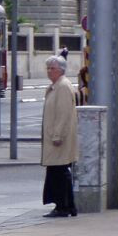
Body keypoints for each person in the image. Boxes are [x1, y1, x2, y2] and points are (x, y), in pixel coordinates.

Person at [41, 55, 79, 217]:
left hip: (58, 140)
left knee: (59, 172)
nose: (49, 71)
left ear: (61, 70)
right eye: (48, 68)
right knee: (58, 171)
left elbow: (63, 114)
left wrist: (57, 135)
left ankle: (63, 206)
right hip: (55, 138)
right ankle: (67, 205)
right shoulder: (56, 86)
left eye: (52, 68)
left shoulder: (62, 87)